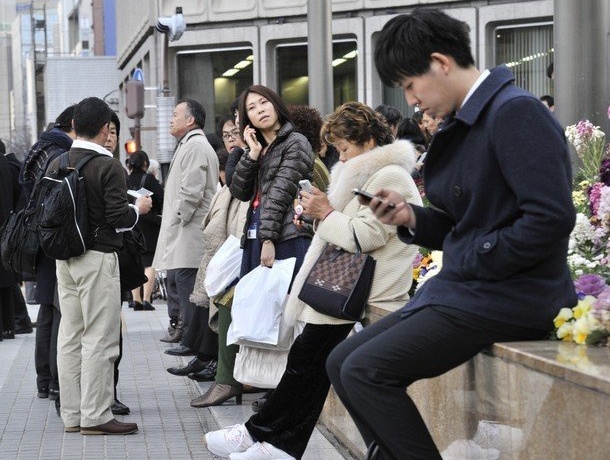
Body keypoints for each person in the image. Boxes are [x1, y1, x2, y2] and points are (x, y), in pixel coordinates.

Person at [326, 9, 577, 460]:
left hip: (514, 295)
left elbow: (551, 220)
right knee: (342, 363)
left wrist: (471, 258)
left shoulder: (514, 113)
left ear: (440, 63)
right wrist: (408, 216)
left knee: (364, 370)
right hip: (473, 289)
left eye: (410, 84)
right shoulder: (471, 120)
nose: (411, 100)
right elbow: (468, 222)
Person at [204, 101, 422, 460]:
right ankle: (271, 441)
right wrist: (317, 216)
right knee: (311, 364)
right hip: (347, 286)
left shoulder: (390, 176)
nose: (341, 154)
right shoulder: (366, 173)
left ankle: (268, 439)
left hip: (361, 288)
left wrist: (326, 213)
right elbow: (347, 227)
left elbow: (365, 236)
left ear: (367, 140)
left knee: (310, 362)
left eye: (343, 147)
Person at [53, 97, 152, 435]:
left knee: (70, 336)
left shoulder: (60, 161)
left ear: (75, 127)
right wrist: (138, 207)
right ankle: (96, 415)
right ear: (106, 130)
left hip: (65, 260)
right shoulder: (108, 166)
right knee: (100, 338)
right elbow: (117, 218)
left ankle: (72, 415)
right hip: (97, 259)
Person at [187, 114, 251, 406]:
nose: (232, 138)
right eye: (227, 133)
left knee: (227, 299)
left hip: (261, 246)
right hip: (245, 244)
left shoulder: (268, 155)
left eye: (236, 131)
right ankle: (225, 376)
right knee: (221, 296)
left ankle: (228, 379)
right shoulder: (244, 157)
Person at [153, 99, 219, 354]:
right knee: (187, 284)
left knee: (189, 286)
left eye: (175, 114)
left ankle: (192, 342)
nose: (171, 119)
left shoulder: (194, 146)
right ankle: (192, 341)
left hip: (189, 231)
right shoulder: (192, 144)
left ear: (190, 120)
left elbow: (191, 190)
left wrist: (178, 218)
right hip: (187, 229)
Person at [20, 104, 76, 403]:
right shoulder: (59, 154)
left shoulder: (39, 148)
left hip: (39, 241)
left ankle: (44, 380)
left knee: (46, 310)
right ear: (72, 125)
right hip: (53, 240)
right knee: (56, 311)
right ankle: (56, 382)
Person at [126, 150, 164, 311]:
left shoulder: (125, 179)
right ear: (145, 164)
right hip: (149, 225)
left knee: (135, 261)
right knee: (149, 263)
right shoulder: (148, 179)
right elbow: (162, 197)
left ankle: (136, 300)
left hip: (130, 222)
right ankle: (147, 299)